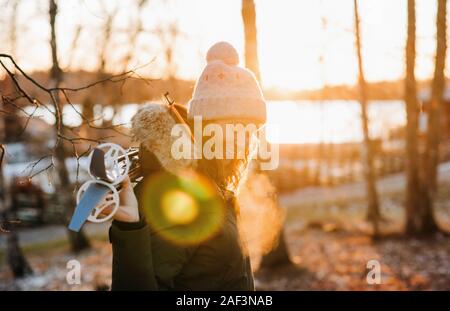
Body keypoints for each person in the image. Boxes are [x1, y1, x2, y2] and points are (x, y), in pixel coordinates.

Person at [109, 42, 266, 290]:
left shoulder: (217, 185)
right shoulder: (183, 193)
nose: (246, 138)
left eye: (252, 129)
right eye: (236, 126)